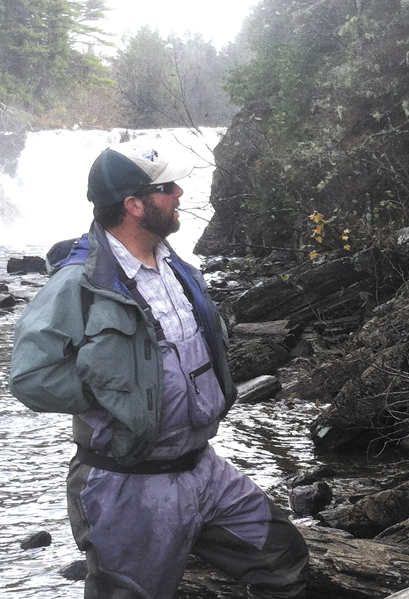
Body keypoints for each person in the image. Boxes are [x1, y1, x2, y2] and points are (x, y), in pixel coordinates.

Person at [9, 144, 309, 599]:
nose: (181, 192)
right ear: (134, 205)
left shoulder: (177, 267)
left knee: (282, 558)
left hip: (204, 469)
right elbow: (29, 376)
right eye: (166, 188)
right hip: (126, 486)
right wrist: (113, 391)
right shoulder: (78, 284)